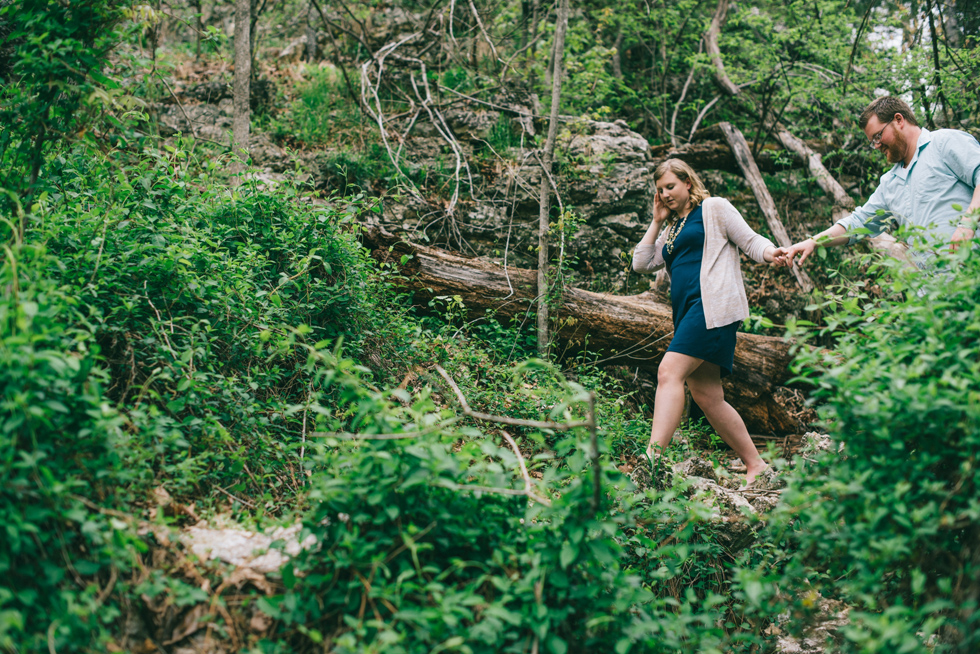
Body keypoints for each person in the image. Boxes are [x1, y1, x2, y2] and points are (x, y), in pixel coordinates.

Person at [632, 159, 783, 486]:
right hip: (687, 312)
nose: (665, 194)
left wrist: (772, 253)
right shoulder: (671, 229)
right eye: (660, 190)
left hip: (712, 308)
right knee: (707, 396)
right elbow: (641, 263)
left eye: (670, 186)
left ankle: (653, 459)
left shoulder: (714, 208)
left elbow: (751, 240)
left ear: (688, 182)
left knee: (668, 372)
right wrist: (657, 222)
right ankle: (757, 466)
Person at [776, 96, 980, 267]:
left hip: (971, 279)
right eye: (872, 141)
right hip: (932, 299)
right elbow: (858, 223)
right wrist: (813, 242)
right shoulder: (890, 183)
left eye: (878, 136)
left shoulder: (944, 143)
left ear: (899, 120)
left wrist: (967, 224)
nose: (877, 145)